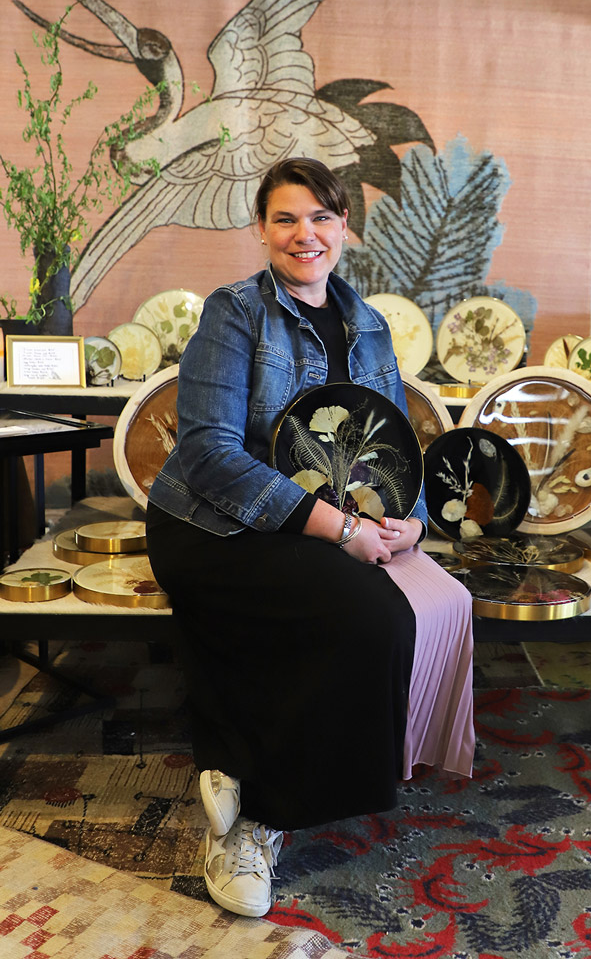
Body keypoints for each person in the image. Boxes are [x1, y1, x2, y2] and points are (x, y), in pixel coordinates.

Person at [146, 157, 475, 920]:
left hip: (309, 528)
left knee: (382, 617)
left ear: (344, 228)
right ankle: (256, 820)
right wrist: (344, 527)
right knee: (363, 616)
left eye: (322, 217)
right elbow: (207, 454)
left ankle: (237, 768)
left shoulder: (368, 325)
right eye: (287, 218)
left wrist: (411, 518)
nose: (306, 235)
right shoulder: (234, 313)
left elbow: (395, 447)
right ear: (261, 229)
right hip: (207, 521)